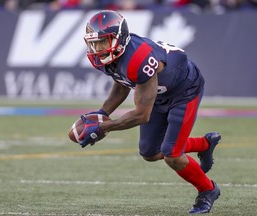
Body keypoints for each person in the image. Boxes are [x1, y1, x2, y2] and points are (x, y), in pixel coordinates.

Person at [78, 10, 221, 214]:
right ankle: (204, 144)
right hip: (158, 93)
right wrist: (102, 112)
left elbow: (141, 114)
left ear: (119, 39)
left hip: (184, 90)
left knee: (172, 155)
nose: (98, 48)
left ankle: (208, 189)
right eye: (95, 42)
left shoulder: (138, 59)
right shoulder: (110, 57)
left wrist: (103, 127)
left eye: (104, 42)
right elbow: (122, 84)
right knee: (151, 152)